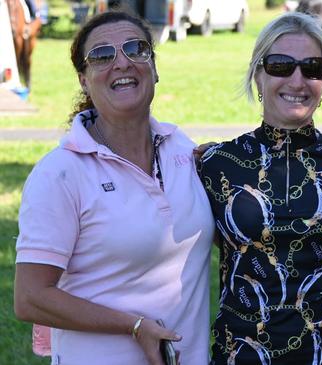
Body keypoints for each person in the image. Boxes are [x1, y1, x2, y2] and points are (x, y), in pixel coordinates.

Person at [13, 10, 215, 365]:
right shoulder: (60, 173)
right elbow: (30, 297)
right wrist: (134, 326)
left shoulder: (185, 151)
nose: (122, 63)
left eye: (136, 49)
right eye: (102, 56)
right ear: (83, 79)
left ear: (154, 68)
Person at [198, 11, 322, 365]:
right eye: (280, 66)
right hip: (242, 356)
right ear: (258, 75)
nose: (297, 80)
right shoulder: (215, 164)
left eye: (312, 68)